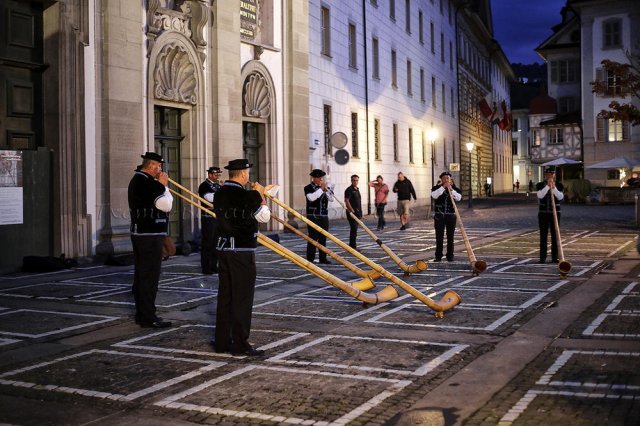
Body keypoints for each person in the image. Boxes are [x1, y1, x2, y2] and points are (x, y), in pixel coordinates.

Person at [213, 159, 271, 356]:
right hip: (242, 252)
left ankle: (222, 341)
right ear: (244, 174)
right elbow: (264, 216)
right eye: (247, 172)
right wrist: (261, 195)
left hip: (224, 250)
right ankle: (240, 343)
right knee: (242, 299)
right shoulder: (247, 195)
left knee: (226, 296)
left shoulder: (219, 192)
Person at [128, 152, 174, 328]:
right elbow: (164, 204)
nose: (160, 170)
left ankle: (146, 313)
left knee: (146, 276)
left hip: (149, 234)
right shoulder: (143, 181)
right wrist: (163, 185)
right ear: (152, 166)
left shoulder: (146, 182)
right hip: (147, 235)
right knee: (148, 276)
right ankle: (147, 316)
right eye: (159, 166)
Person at [304, 169, 334, 264]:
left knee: (323, 237)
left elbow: (331, 199)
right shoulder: (308, 187)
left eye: (322, 177)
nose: (321, 179)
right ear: (314, 178)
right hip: (313, 215)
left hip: (324, 215)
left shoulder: (324, 188)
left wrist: (328, 191)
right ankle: (310, 258)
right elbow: (311, 198)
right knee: (313, 237)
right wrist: (321, 190)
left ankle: (323, 258)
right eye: (319, 177)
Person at [431, 171, 462, 262]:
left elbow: (459, 198)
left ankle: (450, 255)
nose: (446, 180)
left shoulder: (454, 188)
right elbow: (434, 195)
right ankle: (438, 256)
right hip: (439, 216)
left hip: (451, 216)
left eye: (447, 178)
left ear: (450, 179)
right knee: (439, 236)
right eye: (444, 178)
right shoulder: (436, 188)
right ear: (441, 179)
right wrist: (443, 187)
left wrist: (451, 190)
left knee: (450, 236)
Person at [536, 166, 564, 263]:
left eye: (551, 174)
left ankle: (554, 257)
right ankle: (542, 257)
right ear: (545, 175)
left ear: (554, 175)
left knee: (555, 235)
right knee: (543, 236)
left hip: (555, 213)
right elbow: (540, 195)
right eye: (548, 174)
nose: (550, 176)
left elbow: (560, 197)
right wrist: (548, 186)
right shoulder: (540, 185)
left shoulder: (559, 185)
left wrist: (554, 188)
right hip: (543, 214)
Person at [198, 166, 222, 274]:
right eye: (215, 175)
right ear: (210, 174)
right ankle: (206, 267)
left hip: (217, 217)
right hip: (208, 217)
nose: (217, 177)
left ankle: (213, 265)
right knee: (208, 242)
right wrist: (222, 192)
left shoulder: (217, 185)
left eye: (218, 175)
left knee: (216, 242)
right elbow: (209, 198)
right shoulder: (204, 186)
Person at [344, 174, 362, 250]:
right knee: (353, 229)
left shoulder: (357, 189)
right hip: (351, 213)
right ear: (351, 181)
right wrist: (351, 210)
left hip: (358, 212)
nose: (355, 182)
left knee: (355, 230)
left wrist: (360, 213)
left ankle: (352, 246)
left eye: (356, 180)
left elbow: (358, 202)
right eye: (354, 180)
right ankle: (352, 247)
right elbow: (346, 200)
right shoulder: (349, 190)